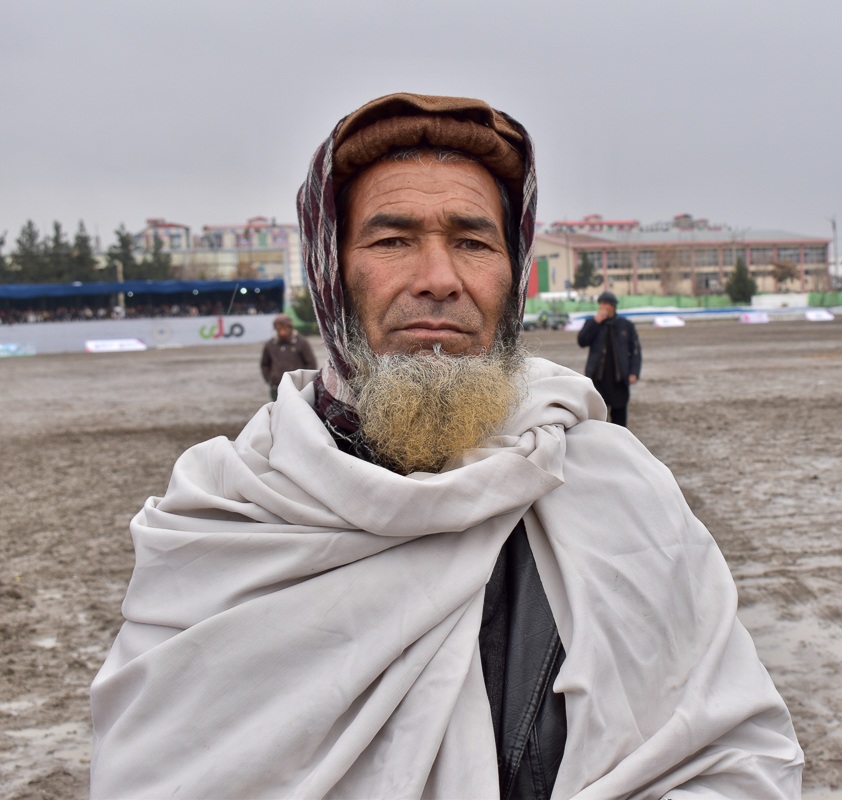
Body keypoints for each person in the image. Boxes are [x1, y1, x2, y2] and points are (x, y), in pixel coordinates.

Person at [90, 93, 803, 799]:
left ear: (512, 274)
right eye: (392, 240)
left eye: (471, 241)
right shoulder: (227, 522)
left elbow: (731, 758)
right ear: (331, 272)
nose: (439, 279)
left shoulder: (614, 489)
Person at [577, 290, 641, 427]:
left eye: (605, 303)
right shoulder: (593, 323)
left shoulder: (626, 326)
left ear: (613, 306)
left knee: (619, 420)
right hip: (597, 380)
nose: (601, 306)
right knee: (598, 419)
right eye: (600, 303)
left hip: (619, 380)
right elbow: (582, 341)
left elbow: (635, 351)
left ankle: (618, 446)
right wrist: (594, 322)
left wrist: (634, 372)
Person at [261, 313, 318, 400]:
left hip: (297, 389)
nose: (282, 331)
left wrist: (305, 382)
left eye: (285, 328)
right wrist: (270, 379)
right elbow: (265, 364)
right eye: (279, 328)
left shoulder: (302, 342)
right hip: (276, 388)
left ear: (290, 327)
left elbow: (311, 363)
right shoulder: (270, 345)